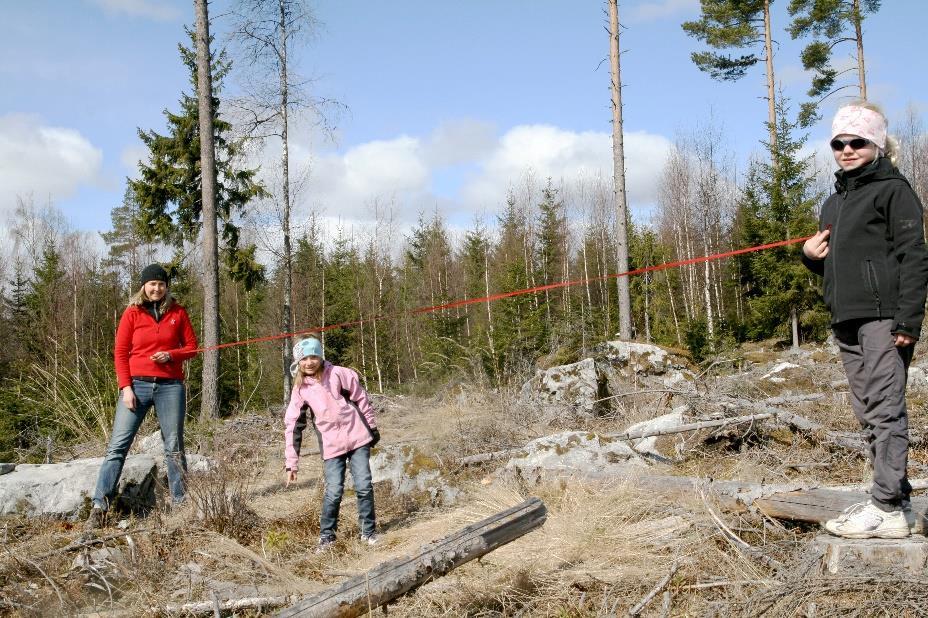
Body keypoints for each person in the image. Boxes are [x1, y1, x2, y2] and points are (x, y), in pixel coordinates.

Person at [802, 101, 928, 539]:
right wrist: (810, 258)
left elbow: (914, 257)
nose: (847, 149)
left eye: (858, 142)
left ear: (877, 144)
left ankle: (887, 507)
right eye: (840, 143)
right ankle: (898, 499)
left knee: (886, 408)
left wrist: (907, 322)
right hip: (847, 319)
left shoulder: (894, 191)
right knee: (868, 410)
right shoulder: (834, 203)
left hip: (884, 317)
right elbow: (844, 263)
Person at [86, 264, 199, 529]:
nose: (157, 288)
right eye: (152, 284)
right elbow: (120, 352)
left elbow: (192, 348)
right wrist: (126, 387)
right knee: (117, 447)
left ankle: (180, 504)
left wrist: (171, 354)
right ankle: (99, 506)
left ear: (166, 286)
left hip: (170, 386)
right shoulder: (132, 313)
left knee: (174, 447)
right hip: (136, 386)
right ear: (143, 286)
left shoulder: (178, 312)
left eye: (161, 284)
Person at [284, 336, 380, 550]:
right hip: (331, 446)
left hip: (358, 438)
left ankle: (368, 532)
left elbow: (361, 400)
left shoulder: (340, 374)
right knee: (334, 491)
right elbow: (293, 426)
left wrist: (372, 428)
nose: (309, 362)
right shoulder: (300, 390)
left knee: (364, 486)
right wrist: (292, 463)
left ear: (321, 356)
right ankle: (327, 537)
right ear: (298, 362)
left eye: (313, 357)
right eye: (304, 358)